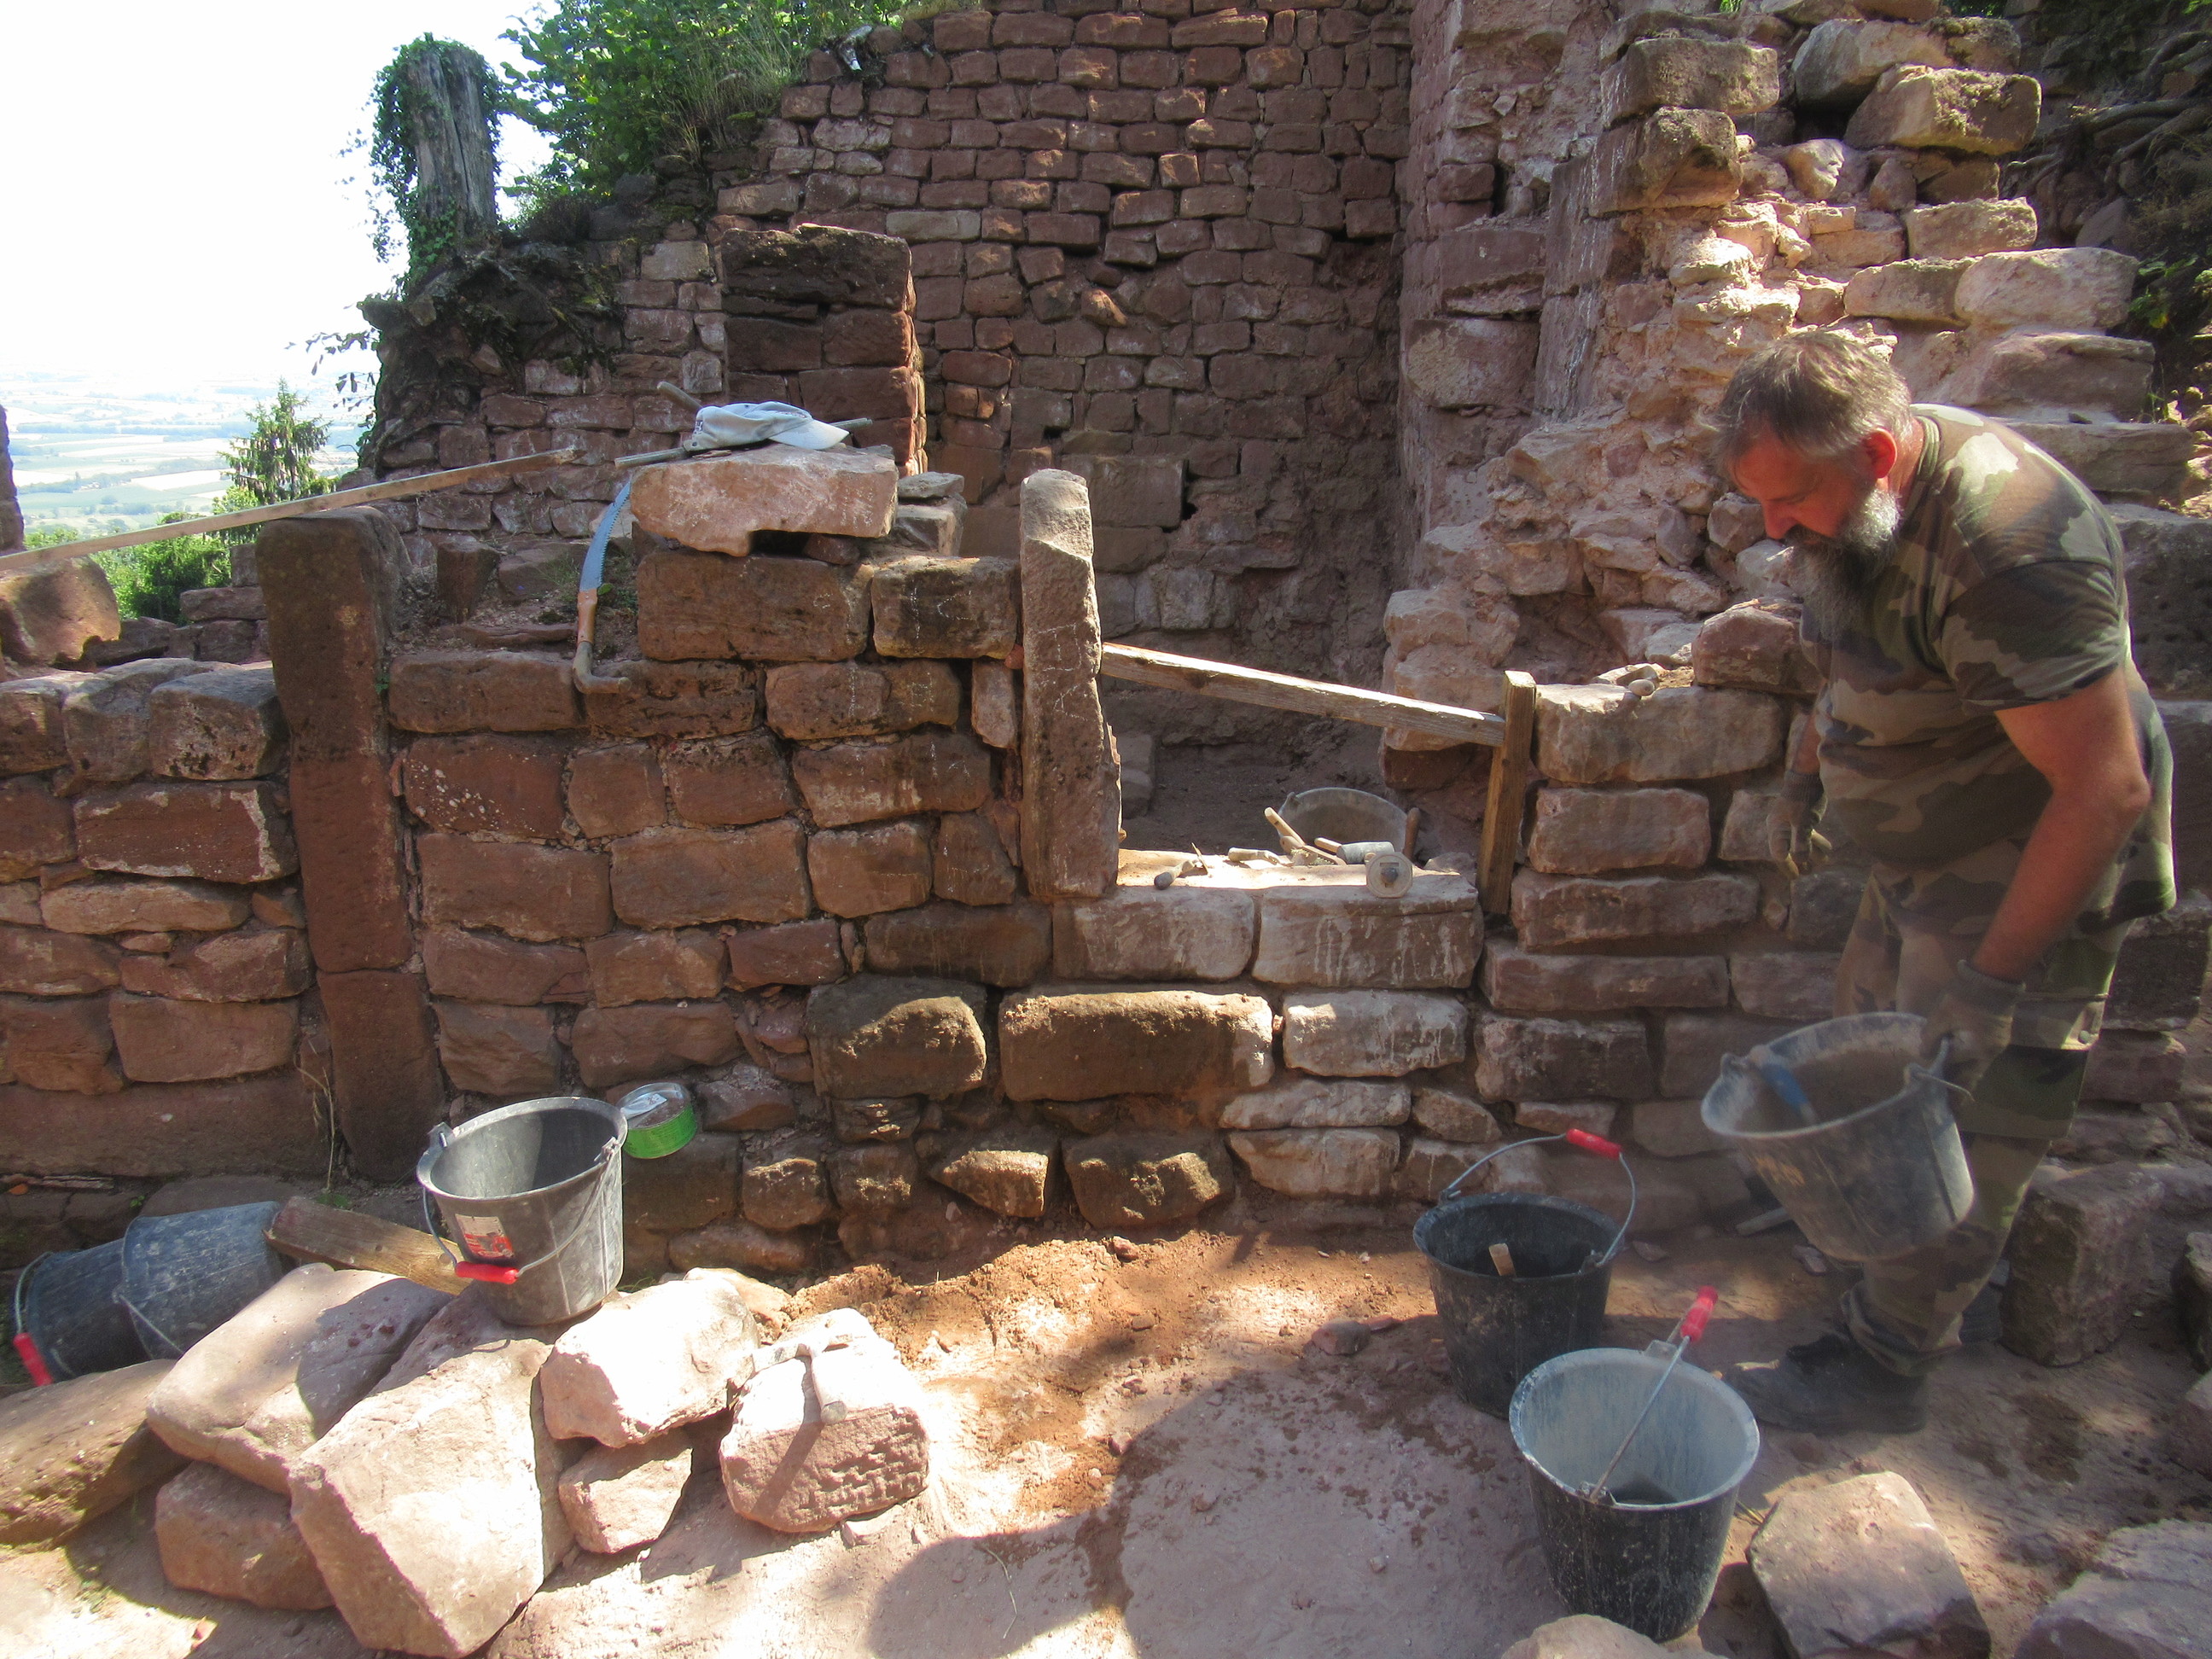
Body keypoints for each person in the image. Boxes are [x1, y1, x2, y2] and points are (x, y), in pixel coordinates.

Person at [1712, 329, 2174, 1434]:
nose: (1772, 528)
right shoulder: (1852, 513)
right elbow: (1843, 656)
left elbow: (2103, 788)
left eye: (1790, 499)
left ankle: (1888, 1361)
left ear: (1877, 455)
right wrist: (1806, 781)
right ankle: (1860, 1230)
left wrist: (1993, 984)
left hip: (2028, 864)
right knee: (1867, 1063)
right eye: (1757, 501)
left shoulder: (2009, 547)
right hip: (1925, 856)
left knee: (1953, 1106)